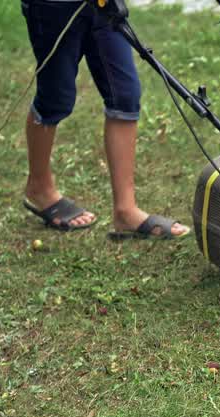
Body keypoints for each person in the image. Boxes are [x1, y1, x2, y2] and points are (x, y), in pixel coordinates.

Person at [20, 0, 189, 239]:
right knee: (55, 100)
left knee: (125, 95)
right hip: (54, 7)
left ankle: (125, 211)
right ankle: (39, 187)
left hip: (102, 5)